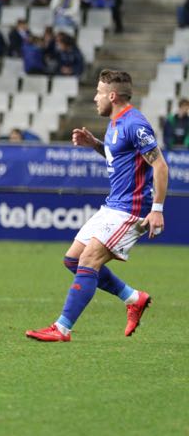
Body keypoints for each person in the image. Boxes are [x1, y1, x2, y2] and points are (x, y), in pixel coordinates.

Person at [26, 70, 166, 342]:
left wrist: (157, 209)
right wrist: (95, 145)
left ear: (112, 96)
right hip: (113, 205)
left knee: (89, 260)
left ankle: (62, 328)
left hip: (131, 209)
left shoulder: (135, 124)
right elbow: (122, 156)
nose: (94, 98)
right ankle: (133, 298)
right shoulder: (115, 123)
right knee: (73, 260)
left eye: (99, 93)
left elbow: (159, 165)